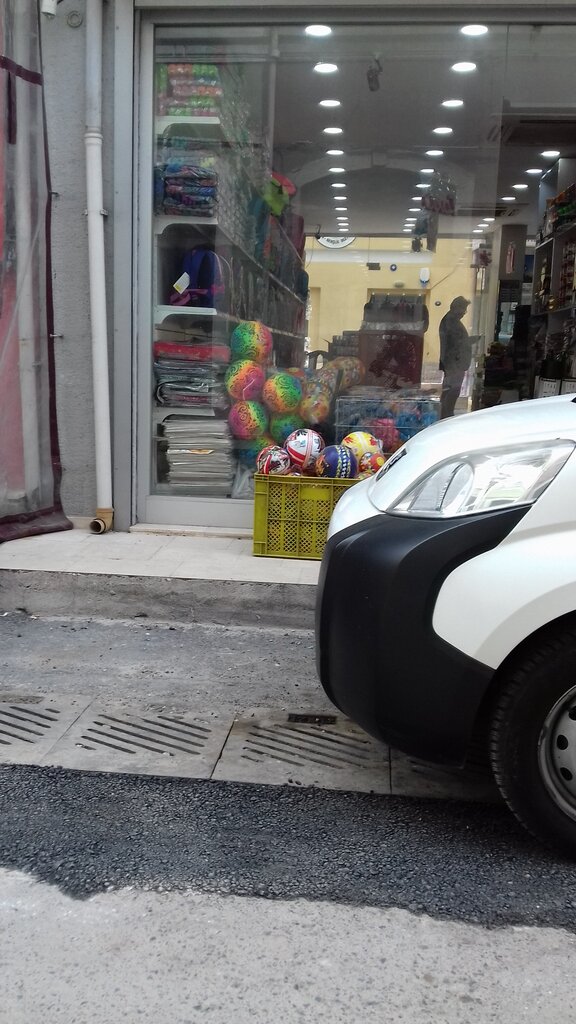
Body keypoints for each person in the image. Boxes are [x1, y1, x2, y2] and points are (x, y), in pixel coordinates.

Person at [439, 296, 472, 418]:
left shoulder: (451, 320)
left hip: (454, 363)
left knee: (451, 390)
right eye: (463, 308)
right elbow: (455, 343)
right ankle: (446, 415)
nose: (465, 312)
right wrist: (469, 341)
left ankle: (446, 414)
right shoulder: (451, 321)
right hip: (454, 363)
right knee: (452, 391)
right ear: (456, 307)